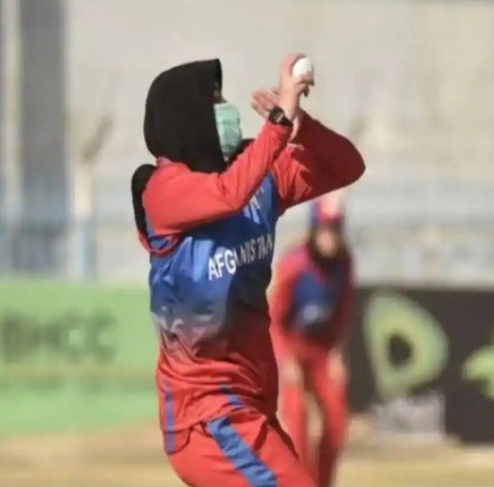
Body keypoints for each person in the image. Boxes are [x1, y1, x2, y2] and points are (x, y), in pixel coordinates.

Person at [130, 53, 364, 487]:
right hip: (206, 418)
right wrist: (276, 125)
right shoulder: (162, 190)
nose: (226, 108)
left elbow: (348, 166)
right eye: (213, 98)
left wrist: (303, 129)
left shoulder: (256, 174)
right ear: (185, 116)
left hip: (251, 408)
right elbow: (227, 195)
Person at [269, 194, 354, 487]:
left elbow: (342, 313)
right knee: (298, 422)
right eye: (325, 230)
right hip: (292, 347)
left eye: (335, 231)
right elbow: (273, 319)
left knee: (336, 423)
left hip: (321, 350)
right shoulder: (294, 265)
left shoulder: (344, 264)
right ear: (314, 230)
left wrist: (336, 353)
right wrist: (284, 361)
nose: (330, 239)